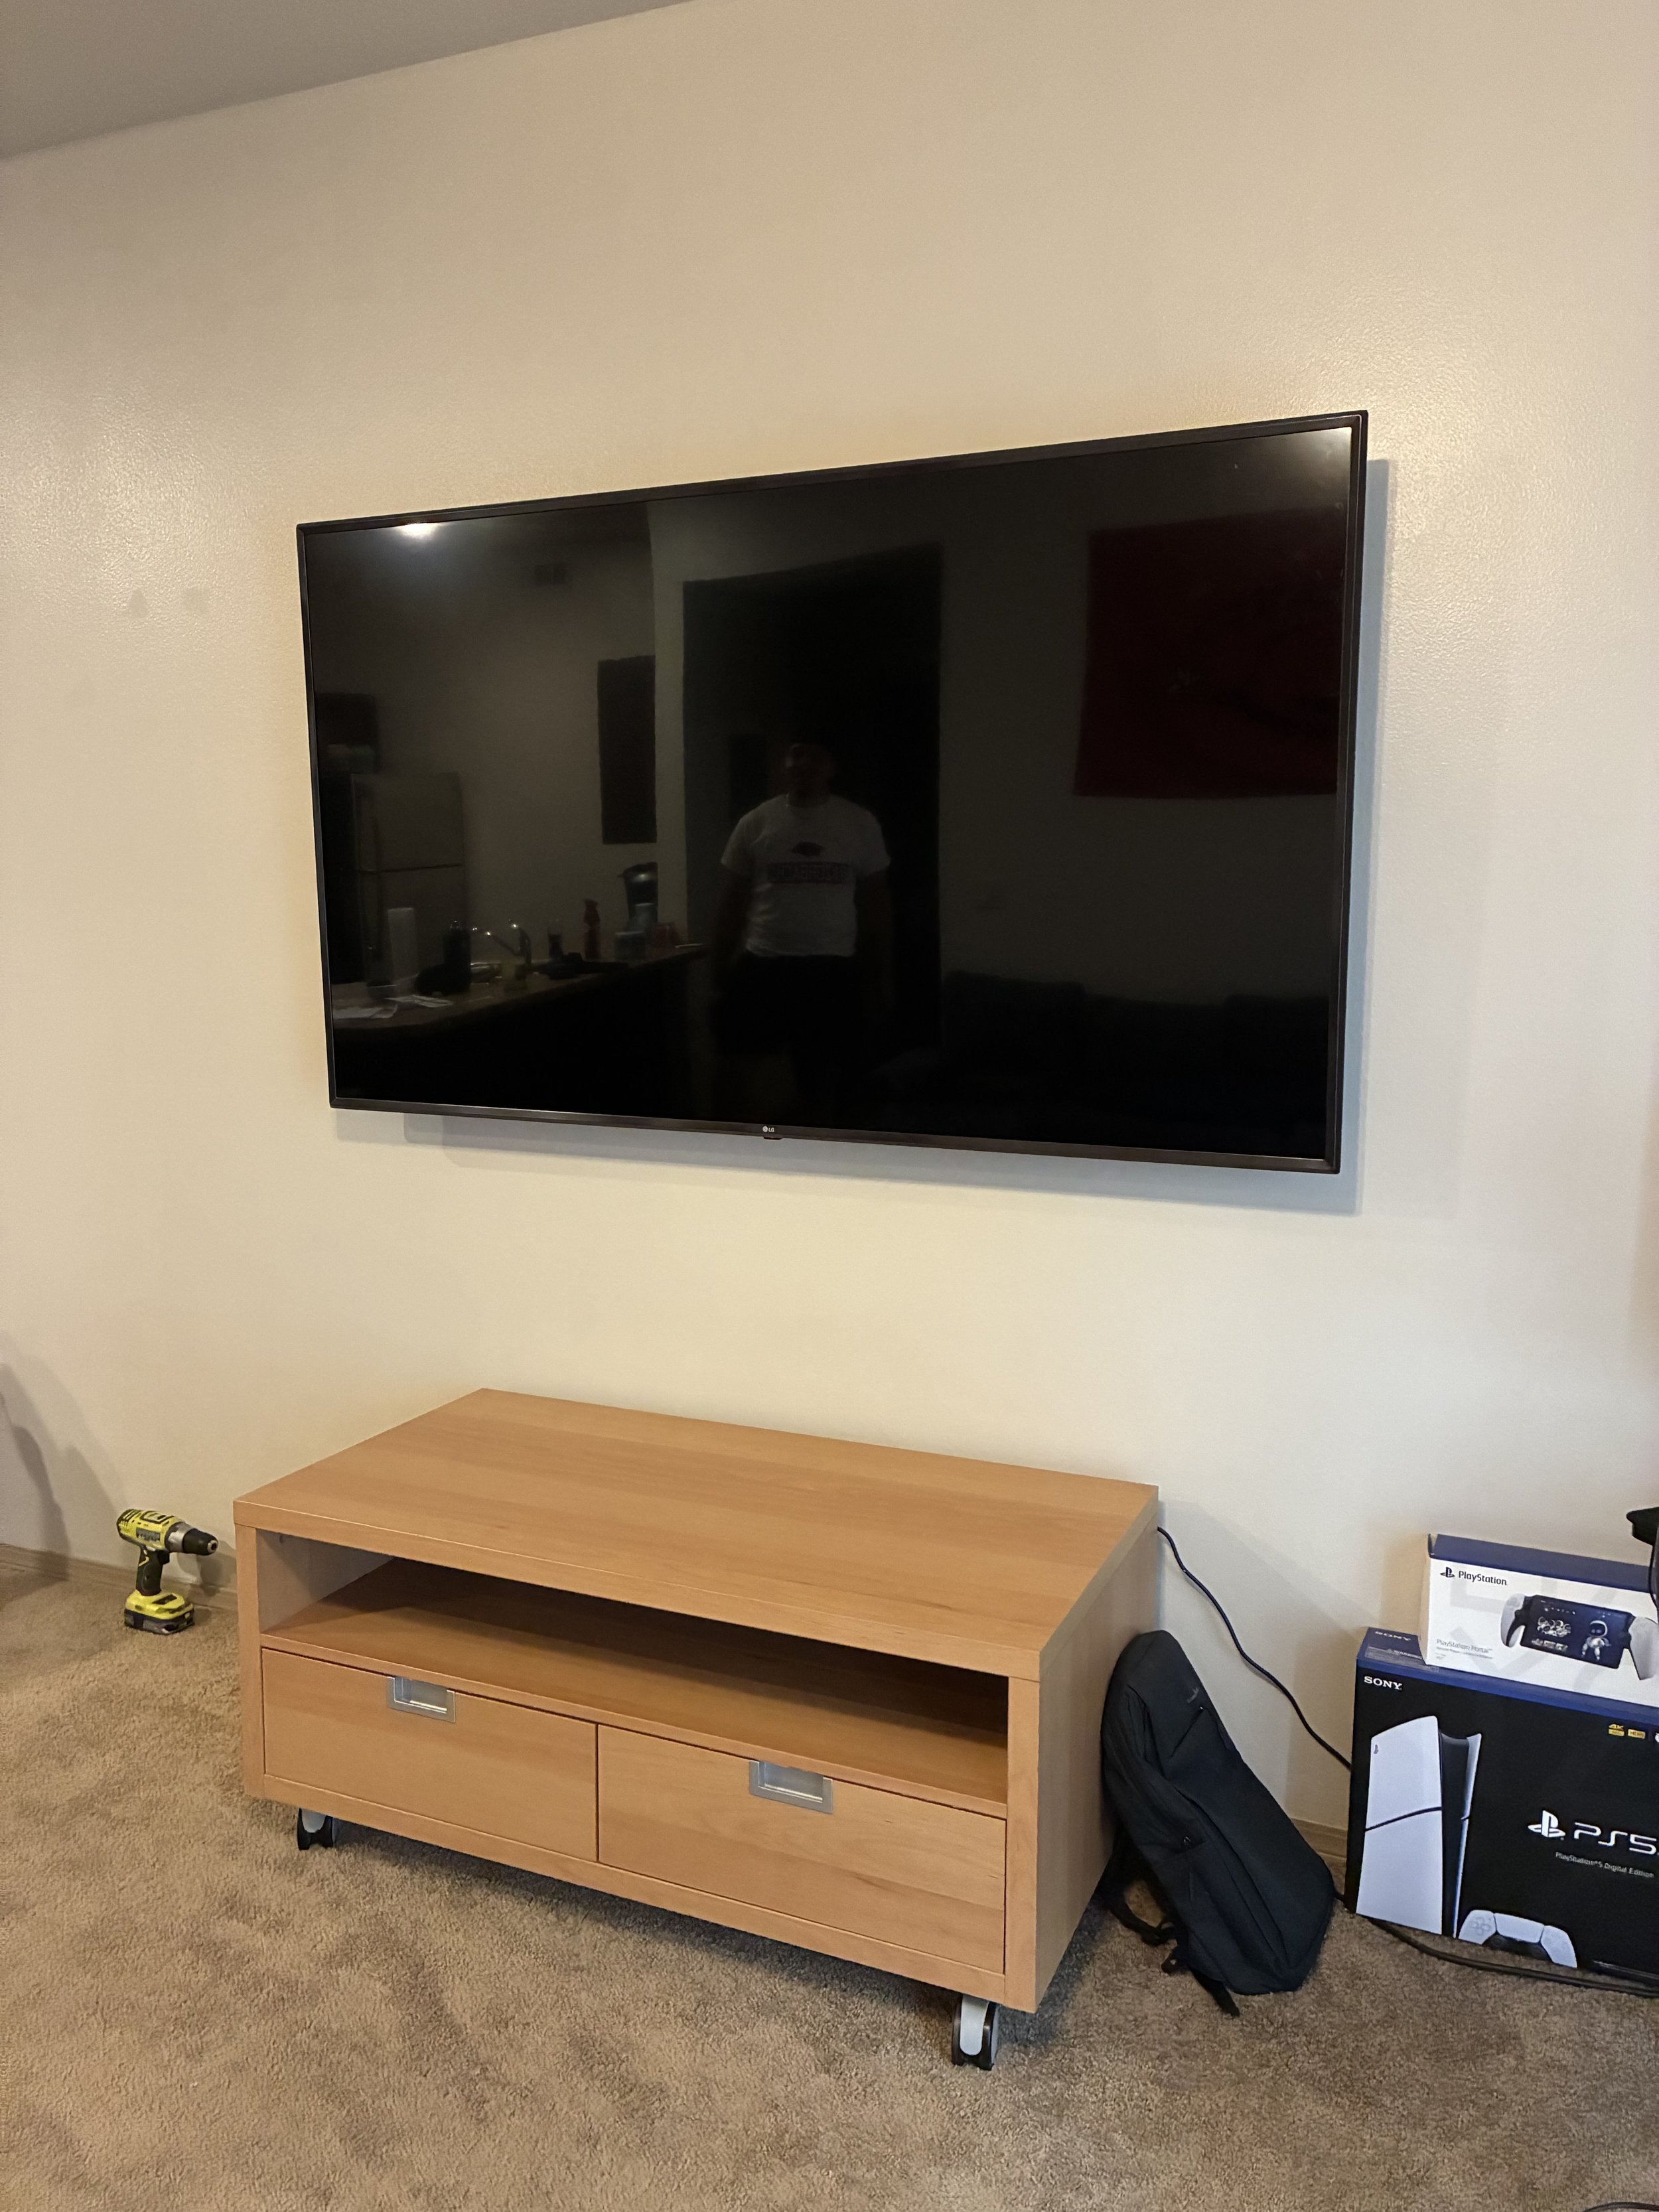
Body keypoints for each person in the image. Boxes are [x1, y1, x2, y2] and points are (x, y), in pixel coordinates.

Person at [711, 740, 893, 1122]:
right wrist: (719, 959)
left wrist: (877, 970)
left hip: (831, 968)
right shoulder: (756, 823)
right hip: (765, 963)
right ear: (784, 765)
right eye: (794, 754)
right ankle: (731, 1156)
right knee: (737, 1073)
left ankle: (812, 1158)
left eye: (814, 755)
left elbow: (876, 902)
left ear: (830, 766)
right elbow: (732, 899)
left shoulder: (858, 823)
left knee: (824, 1081)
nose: (802, 764)